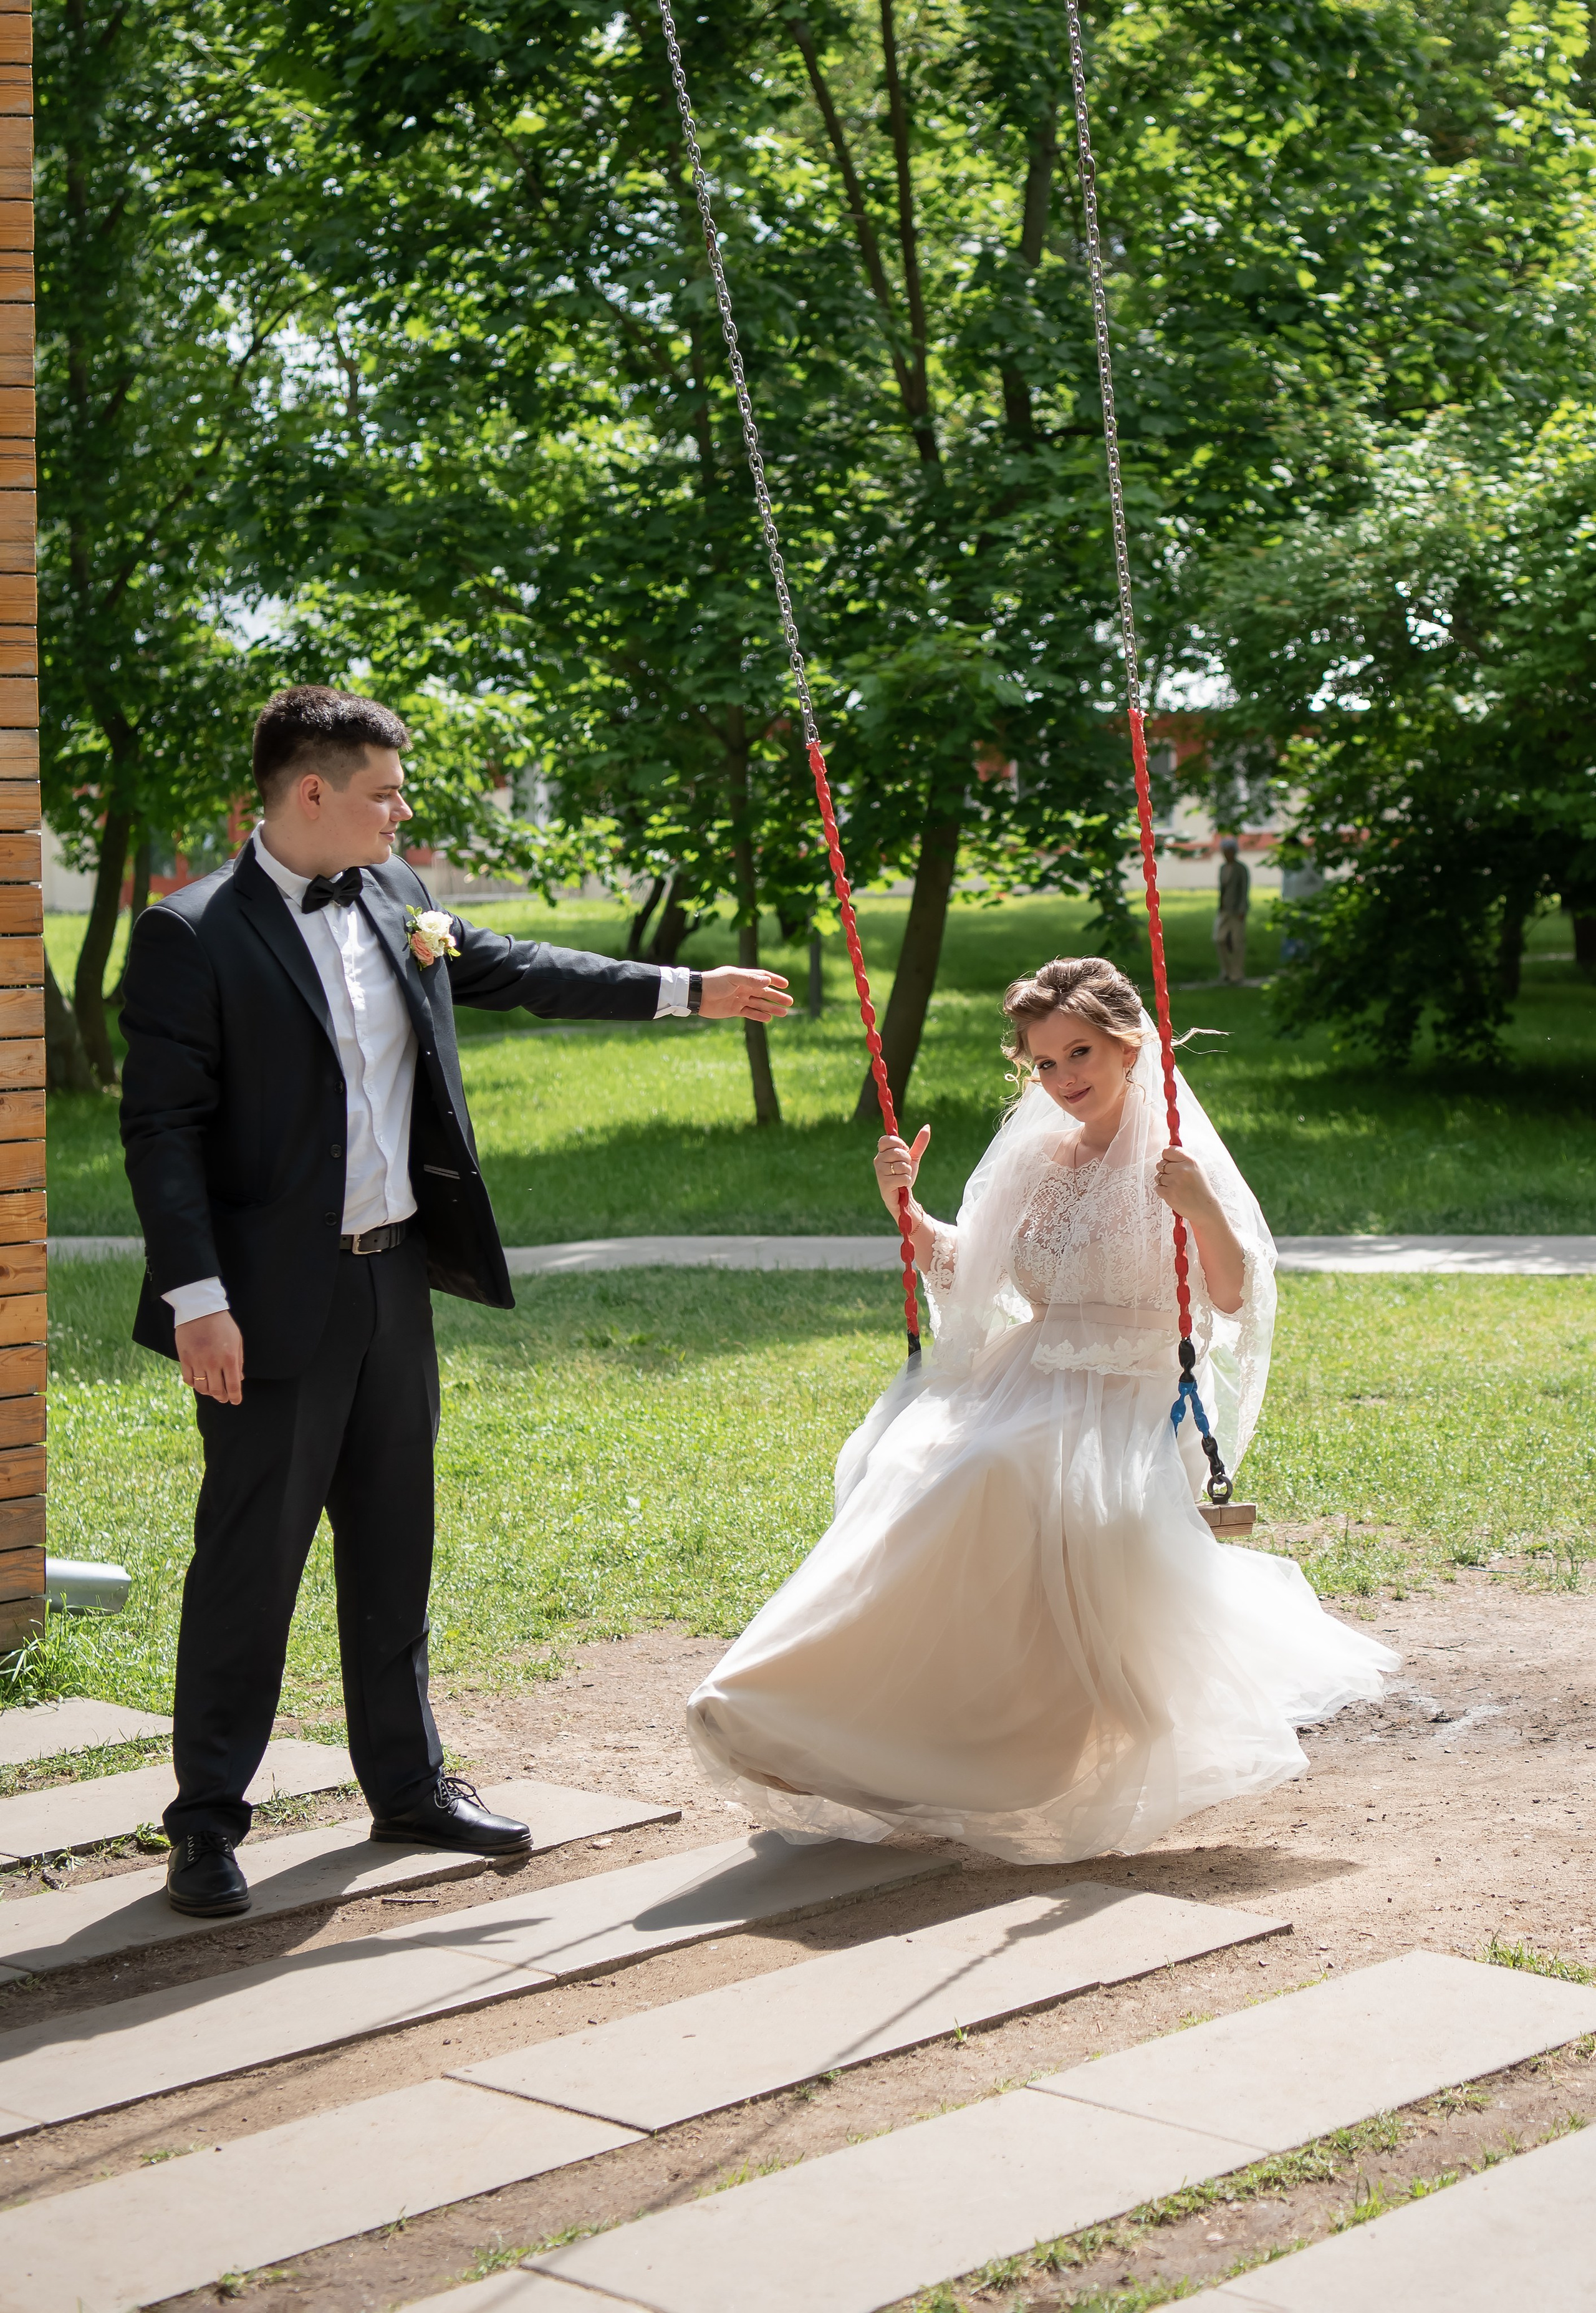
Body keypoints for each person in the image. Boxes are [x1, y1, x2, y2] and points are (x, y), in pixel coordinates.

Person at [120, 686, 792, 1918]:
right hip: (265, 1304)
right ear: (310, 793)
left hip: (391, 1282)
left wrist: (687, 992)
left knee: (395, 1540)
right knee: (247, 1567)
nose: (403, 811)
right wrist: (199, 1297)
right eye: (385, 792)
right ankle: (206, 1825)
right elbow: (162, 1131)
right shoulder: (191, 933)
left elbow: (520, 970)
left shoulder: (398, 901)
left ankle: (409, 1785)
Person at [687, 957, 1394, 1864]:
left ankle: (998, 1752)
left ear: (1130, 1043)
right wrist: (905, 1208)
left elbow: (1227, 1298)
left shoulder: (1174, 1156)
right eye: (1044, 1064)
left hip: (1138, 1382)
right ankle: (797, 1707)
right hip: (1033, 1370)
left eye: (1081, 1052)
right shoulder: (1037, 1156)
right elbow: (970, 1268)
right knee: (910, 1465)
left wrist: (1204, 1209)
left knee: (997, 1473)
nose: (1065, 1079)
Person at [1214, 835, 1250, 983]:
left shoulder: (1241, 868)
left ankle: (1237, 973)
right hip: (1224, 910)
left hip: (1237, 911)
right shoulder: (1222, 868)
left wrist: (1242, 910)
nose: (1226, 854)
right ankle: (1226, 971)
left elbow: (1244, 890)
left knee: (1237, 942)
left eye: (1229, 851)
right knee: (1219, 939)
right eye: (1224, 851)